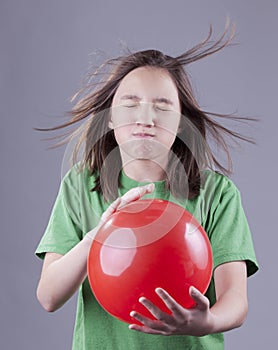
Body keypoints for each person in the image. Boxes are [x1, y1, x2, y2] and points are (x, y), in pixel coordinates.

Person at [35, 24, 259, 350]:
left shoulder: (217, 194)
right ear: (109, 117)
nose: (146, 118)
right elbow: (49, 297)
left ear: (182, 122)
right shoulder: (81, 186)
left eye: (163, 106)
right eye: (130, 103)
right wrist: (97, 236)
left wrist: (206, 321)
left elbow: (236, 301)